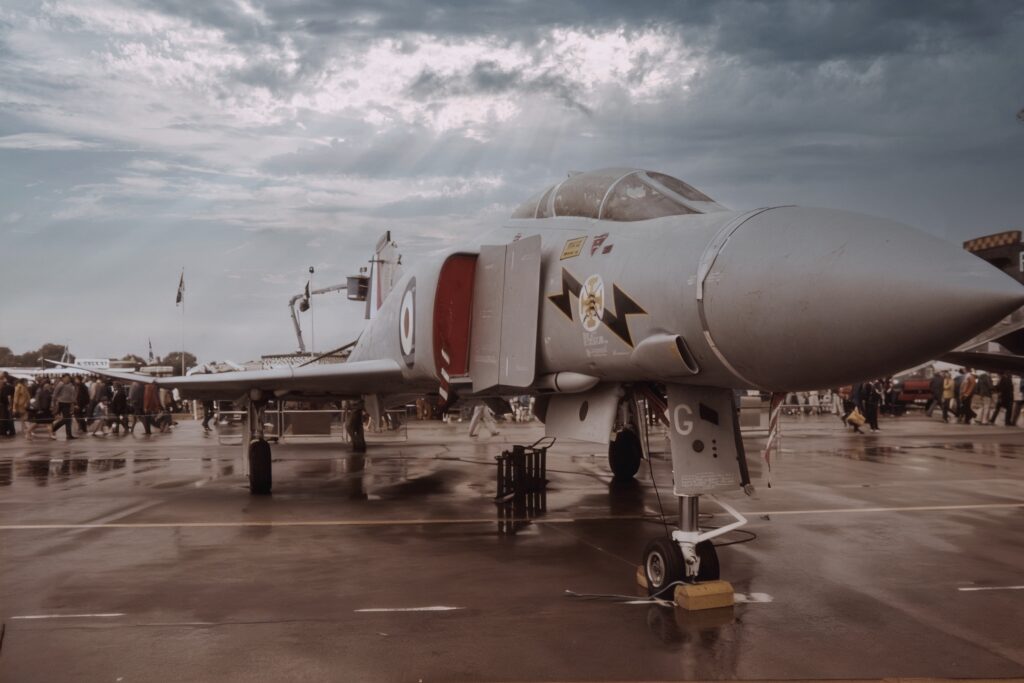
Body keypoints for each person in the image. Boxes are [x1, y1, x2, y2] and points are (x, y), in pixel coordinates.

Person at [50, 374, 77, 439]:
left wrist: (73, 403)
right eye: (66, 378)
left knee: (68, 419)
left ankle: (69, 434)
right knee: (66, 419)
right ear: (63, 378)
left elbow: (72, 394)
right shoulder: (60, 384)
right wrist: (53, 404)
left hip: (68, 403)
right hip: (62, 402)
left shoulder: (70, 385)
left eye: (69, 378)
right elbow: (55, 394)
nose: (68, 379)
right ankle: (53, 428)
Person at [0, 372, 14, 437]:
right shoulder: (9, 386)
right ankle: (8, 431)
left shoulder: (7, 386)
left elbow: (8, 396)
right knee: (7, 418)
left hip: (4, 404)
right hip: (5, 404)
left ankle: (4, 431)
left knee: (5, 418)